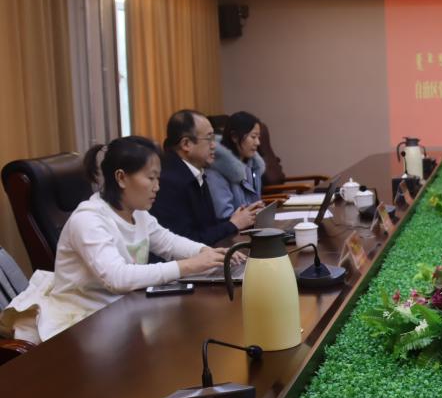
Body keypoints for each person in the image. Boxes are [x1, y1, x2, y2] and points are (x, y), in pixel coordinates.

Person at [0, 136, 227, 343]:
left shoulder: (137, 212)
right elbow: (117, 278)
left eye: (158, 178)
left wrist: (207, 253)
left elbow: (169, 242)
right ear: (121, 177)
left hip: (120, 311)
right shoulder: (88, 220)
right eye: (151, 178)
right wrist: (188, 266)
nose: (157, 187)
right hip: (81, 320)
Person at [150, 110, 259, 245]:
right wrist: (233, 224)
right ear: (186, 144)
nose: (214, 145)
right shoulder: (169, 182)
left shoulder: (195, 171)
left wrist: (235, 220)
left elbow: (208, 227)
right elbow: (186, 242)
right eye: (209, 139)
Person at [207, 111, 266, 219]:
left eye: (258, 137)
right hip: (234, 229)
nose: (258, 143)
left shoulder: (252, 165)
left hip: (253, 224)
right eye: (253, 137)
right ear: (234, 137)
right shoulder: (216, 170)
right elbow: (224, 217)